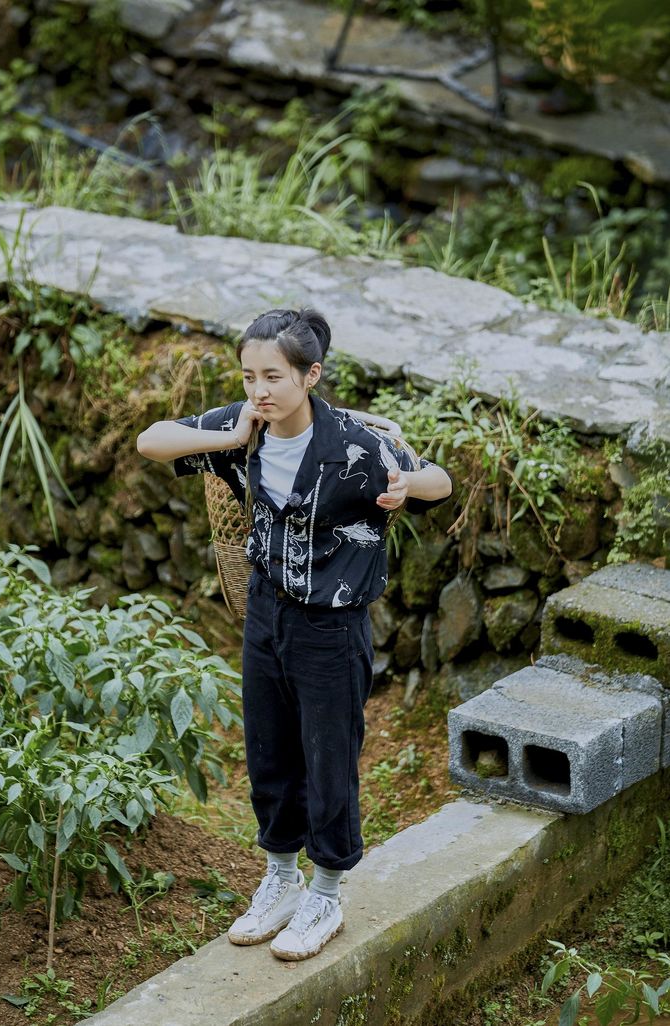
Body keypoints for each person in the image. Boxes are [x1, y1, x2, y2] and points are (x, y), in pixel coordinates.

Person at [136, 308, 452, 961]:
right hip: (265, 612)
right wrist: (225, 436)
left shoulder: (354, 444)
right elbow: (152, 441)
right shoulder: (242, 429)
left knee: (328, 756)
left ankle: (327, 894)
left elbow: (438, 482)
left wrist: (402, 486)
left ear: (310, 375)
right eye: (249, 375)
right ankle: (280, 879)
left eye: (274, 376)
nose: (260, 390)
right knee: (269, 749)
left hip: (331, 628)